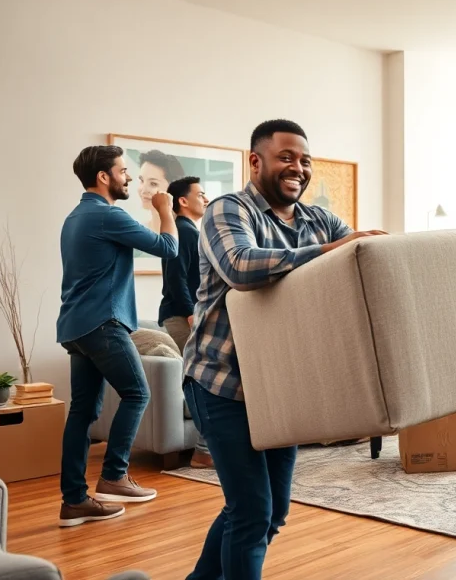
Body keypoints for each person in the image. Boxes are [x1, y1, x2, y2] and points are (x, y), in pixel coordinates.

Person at [182, 119, 386, 579]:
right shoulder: (228, 210)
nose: (299, 168)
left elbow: (357, 262)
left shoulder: (319, 221)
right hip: (222, 381)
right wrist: (332, 250)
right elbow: (240, 267)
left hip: (283, 385)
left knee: (270, 512)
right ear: (256, 161)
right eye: (286, 157)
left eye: (305, 160)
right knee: (251, 511)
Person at [56, 145, 179, 527]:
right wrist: (165, 210)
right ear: (103, 177)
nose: (128, 178)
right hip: (102, 324)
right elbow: (168, 247)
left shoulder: (75, 217)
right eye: (123, 171)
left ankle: (74, 501)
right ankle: (114, 477)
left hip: (75, 327)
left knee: (82, 412)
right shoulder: (107, 215)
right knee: (137, 393)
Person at [158, 176, 213, 468]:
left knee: (202, 380)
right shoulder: (184, 231)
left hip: (187, 314)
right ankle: (203, 451)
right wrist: (191, 313)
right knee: (201, 381)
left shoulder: (190, 231)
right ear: (182, 201)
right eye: (200, 194)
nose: (206, 199)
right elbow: (175, 277)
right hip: (183, 316)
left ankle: (206, 449)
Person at [137, 149, 186, 233]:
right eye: (142, 180)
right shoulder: (139, 232)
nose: (143, 190)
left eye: (153, 184)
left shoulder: (187, 233)